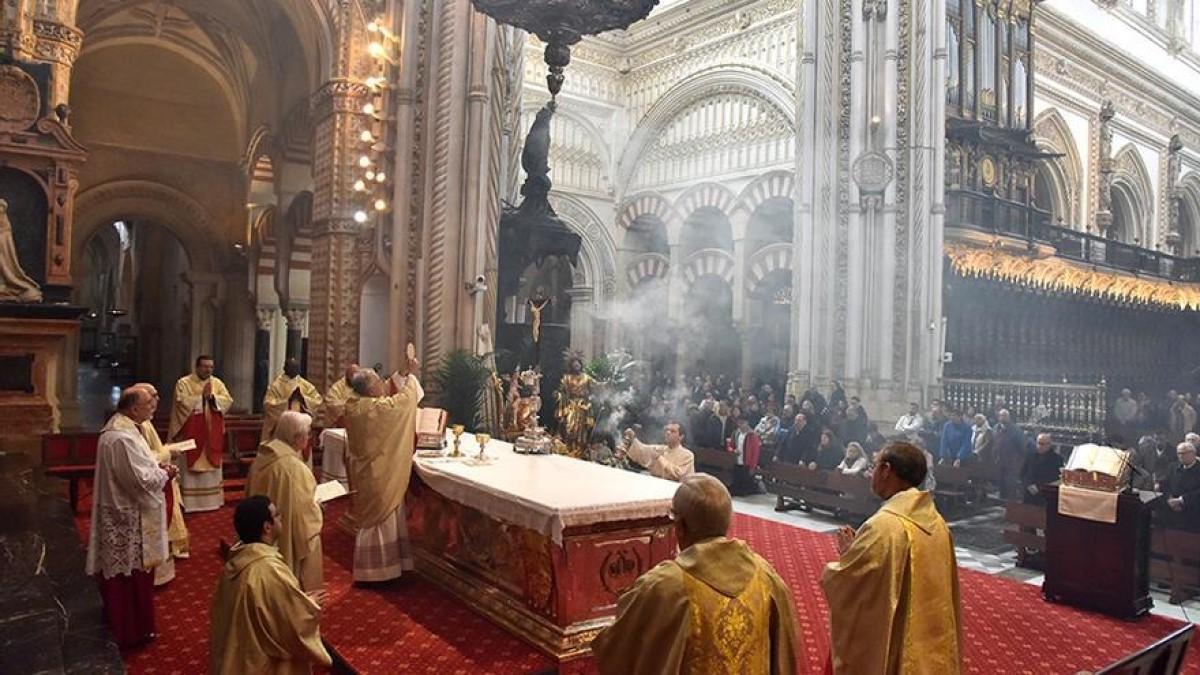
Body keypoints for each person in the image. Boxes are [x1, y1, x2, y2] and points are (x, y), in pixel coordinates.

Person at [591, 474, 798, 674]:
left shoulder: (665, 586)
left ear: (679, 526)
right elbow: (785, 655)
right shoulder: (767, 578)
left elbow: (618, 650)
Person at [822, 441, 963, 674]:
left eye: (875, 466)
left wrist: (848, 556)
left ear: (886, 470)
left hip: (895, 647)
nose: (870, 473)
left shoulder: (884, 527)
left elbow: (852, 585)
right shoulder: (938, 524)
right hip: (928, 639)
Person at [86, 387, 176, 647]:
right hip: (127, 517)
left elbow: (138, 468)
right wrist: (166, 473)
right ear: (133, 408)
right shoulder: (122, 437)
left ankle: (135, 627)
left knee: (131, 576)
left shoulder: (124, 429)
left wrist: (155, 468)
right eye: (149, 403)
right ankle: (129, 631)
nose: (153, 406)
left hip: (124, 512)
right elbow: (140, 480)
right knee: (128, 578)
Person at [210, 496, 332, 674]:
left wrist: (295, 601)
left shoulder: (235, 562)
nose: (281, 518)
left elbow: (264, 606)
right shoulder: (269, 570)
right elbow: (289, 625)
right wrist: (309, 605)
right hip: (262, 662)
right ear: (267, 527)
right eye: (277, 515)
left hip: (239, 655)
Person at [345, 360, 423, 582]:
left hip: (365, 473)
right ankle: (379, 571)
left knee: (376, 520)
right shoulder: (378, 410)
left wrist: (402, 371)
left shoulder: (353, 405)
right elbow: (405, 403)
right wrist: (412, 377)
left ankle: (381, 567)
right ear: (371, 389)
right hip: (381, 474)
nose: (382, 384)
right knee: (383, 518)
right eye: (378, 382)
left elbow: (389, 391)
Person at [247, 411, 324, 591]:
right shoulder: (295, 468)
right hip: (284, 539)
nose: (309, 438)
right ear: (297, 438)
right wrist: (318, 508)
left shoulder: (262, 457)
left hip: (258, 537)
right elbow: (305, 520)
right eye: (308, 434)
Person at [131, 383, 189, 583]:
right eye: (151, 398)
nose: (156, 401)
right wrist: (168, 452)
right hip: (149, 482)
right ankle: (155, 575)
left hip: (159, 476)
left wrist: (166, 452)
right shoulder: (136, 426)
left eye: (155, 396)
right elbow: (145, 458)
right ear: (135, 406)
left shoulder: (144, 422)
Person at [169, 355, 234, 512]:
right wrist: (200, 399)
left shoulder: (216, 383)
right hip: (191, 432)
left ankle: (211, 502)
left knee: (211, 466)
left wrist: (211, 398)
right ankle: (189, 503)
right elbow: (181, 402)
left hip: (211, 433)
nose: (208, 370)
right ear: (197, 367)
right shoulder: (184, 383)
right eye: (205, 366)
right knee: (188, 467)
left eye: (211, 367)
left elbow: (227, 400)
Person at [261, 357, 323, 442]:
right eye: (291, 367)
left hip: (301, 427)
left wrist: (303, 399)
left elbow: (317, 400)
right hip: (282, 428)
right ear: (285, 368)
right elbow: (269, 404)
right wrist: (288, 401)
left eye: (296, 367)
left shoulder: (305, 385)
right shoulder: (276, 385)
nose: (294, 370)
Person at [621, 422, 695, 481]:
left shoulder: (687, 455)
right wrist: (633, 439)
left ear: (681, 437)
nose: (668, 433)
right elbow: (642, 450)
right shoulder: (659, 449)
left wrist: (659, 457)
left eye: (673, 431)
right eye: (667, 430)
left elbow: (678, 474)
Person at [1161, 442, 1200, 531]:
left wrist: (1181, 500)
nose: (1181, 456)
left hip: (1193, 513)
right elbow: (1165, 485)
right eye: (1179, 453)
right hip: (1172, 513)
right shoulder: (1172, 467)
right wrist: (1169, 498)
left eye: (1184, 453)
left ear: (1193, 453)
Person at [993, 409, 1030, 499]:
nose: (1003, 418)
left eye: (1005, 416)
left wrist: (1019, 461)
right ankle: (1002, 502)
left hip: (1012, 462)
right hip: (999, 460)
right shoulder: (996, 428)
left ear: (1009, 417)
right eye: (1001, 415)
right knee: (1001, 482)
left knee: (1010, 484)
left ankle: (1010, 503)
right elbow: (994, 443)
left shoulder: (1015, 430)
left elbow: (1022, 447)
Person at [1020, 433, 1063, 506]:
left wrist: (1039, 487)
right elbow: (1023, 473)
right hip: (1029, 494)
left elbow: (1056, 479)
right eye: (1038, 443)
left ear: (1049, 445)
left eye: (1042, 444)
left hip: (1045, 497)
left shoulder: (1057, 460)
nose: (1040, 446)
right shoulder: (1030, 455)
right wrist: (1028, 484)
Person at [729, 416, 762, 496]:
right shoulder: (736, 433)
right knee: (736, 484)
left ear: (747, 423)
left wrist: (752, 466)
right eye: (739, 423)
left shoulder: (752, 435)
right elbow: (730, 445)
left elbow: (755, 452)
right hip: (737, 461)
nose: (740, 425)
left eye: (742, 423)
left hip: (747, 463)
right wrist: (733, 451)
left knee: (744, 488)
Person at [322, 363, 360, 428]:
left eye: (357, 376)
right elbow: (331, 402)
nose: (354, 378)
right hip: (340, 422)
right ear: (347, 375)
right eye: (352, 375)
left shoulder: (362, 385)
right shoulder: (338, 387)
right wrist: (349, 406)